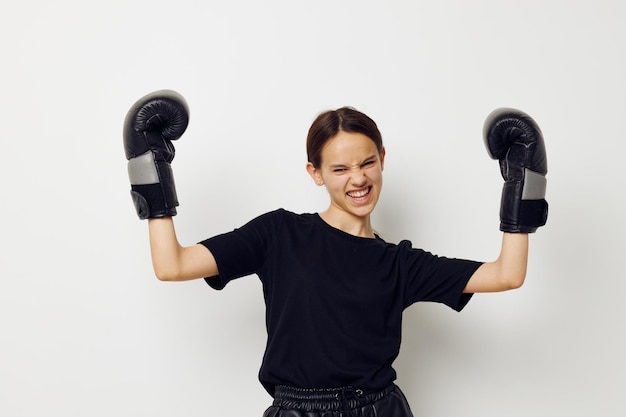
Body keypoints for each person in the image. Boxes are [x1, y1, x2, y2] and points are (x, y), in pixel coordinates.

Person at [123, 90, 548, 417]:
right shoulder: (279, 233)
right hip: (297, 410)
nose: (357, 179)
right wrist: (149, 167)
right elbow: (171, 265)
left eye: (366, 163)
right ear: (316, 173)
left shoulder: (400, 263)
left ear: (382, 160)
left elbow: (507, 274)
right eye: (340, 169)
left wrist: (523, 182)